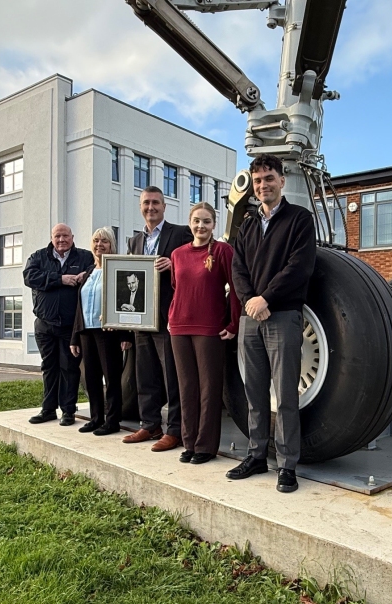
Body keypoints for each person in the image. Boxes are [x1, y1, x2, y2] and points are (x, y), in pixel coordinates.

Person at [228, 154, 316, 493]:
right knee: (254, 393)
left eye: (269, 178)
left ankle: (287, 465)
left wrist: (266, 298)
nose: (263, 185)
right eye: (257, 180)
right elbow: (237, 269)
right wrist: (250, 300)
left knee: (286, 396)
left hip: (282, 315)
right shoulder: (248, 225)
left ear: (282, 180)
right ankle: (256, 456)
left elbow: (299, 267)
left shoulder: (299, 219)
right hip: (250, 318)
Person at [169, 202, 241, 464]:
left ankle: (205, 447)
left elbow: (236, 289)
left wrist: (233, 324)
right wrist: (171, 318)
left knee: (209, 389)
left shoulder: (223, 251)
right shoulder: (177, 254)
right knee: (186, 388)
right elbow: (177, 288)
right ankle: (189, 443)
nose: (201, 226)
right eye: (197, 221)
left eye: (206, 221)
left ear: (214, 224)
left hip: (209, 328)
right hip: (179, 327)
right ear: (190, 223)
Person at [122, 186, 193, 451]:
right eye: (146, 203)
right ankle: (150, 424)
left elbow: (196, 261)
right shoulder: (134, 241)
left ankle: (175, 429)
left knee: (172, 375)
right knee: (145, 374)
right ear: (140, 207)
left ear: (164, 206)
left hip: (169, 315)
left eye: (155, 203)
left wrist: (175, 265)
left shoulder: (181, 233)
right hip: (142, 318)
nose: (150, 207)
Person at [23, 223, 94, 426]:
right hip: (44, 324)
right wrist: (60, 279)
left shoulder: (84, 257)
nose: (61, 240)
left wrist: (86, 275)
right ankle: (48, 410)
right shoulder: (38, 257)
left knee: (69, 368)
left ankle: (68, 411)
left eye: (65, 236)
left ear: (72, 237)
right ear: (51, 238)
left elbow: (97, 270)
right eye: (57, 236)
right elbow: (29, 277)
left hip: (70, 326)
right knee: (49, 367)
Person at [70, 228, 133, 436]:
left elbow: (125, 303)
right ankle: (96, 418)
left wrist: (125, 334)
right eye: (96, 241)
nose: (100, 245)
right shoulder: (88, 272)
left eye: (104, 241)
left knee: (111, 378)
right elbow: (79, 307)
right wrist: (75, 337)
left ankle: (112, 420)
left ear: (111, 245)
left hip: (109, 332)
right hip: (86, 332)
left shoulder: (117, 270)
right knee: (91, 378)